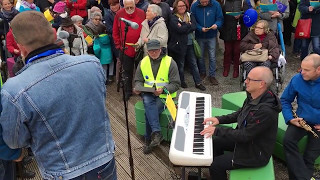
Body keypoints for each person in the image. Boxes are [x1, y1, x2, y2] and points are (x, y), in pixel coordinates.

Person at [0, 11, 117, 180]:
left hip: (62, 171)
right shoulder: (91, 63)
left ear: (21, 47)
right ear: (53, 34)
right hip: (103, 162)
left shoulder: (14, 89)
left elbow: (15, 142)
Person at [201, 66, 281, 180]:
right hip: (247, 142)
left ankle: (219, 169)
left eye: (249, 79)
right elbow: (240, 113)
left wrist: (217, 130)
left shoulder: (266, 111)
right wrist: (219, 119)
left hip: (255, 153)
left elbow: (245, 135)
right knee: (215, 143)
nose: (245, 81)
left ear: (261, 84)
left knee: (216, 165)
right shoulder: (254, 95)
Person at [133, 39, 180, 154]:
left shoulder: (170, 62)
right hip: (148, 93)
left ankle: (149, 139)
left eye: (156, 51)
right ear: (147, 51)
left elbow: (176, 83)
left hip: (165, 96)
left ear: (160, 49)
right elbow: (138, 80)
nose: (153, 53)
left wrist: (163, 89)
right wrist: (138, 88)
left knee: (148, 111)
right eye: (151, 51)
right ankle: (157, 134)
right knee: (149, 103)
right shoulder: (143, 62)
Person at [281, 54, 320, 180]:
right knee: (288, 141)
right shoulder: (297, 79)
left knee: (309, 157)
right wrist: (290, 118)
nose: (302, 72)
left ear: (318, 69)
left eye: (306, 70)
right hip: (301, 120)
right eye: (301, 68)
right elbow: (285, 100)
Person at [168, 0, 206, 90]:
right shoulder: (173, 18)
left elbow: (194, 26)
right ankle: (181, 81)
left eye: (183, 6)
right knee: (180, 65)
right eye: (179, 6)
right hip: (179, 45)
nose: (181, 8)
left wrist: (183, 26)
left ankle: (198, 82)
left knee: (194, 64)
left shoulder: (190, 15)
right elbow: (178, 30)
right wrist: (188, 25)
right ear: (176, 7)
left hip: (190, 44)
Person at [113, 0, 145, 101]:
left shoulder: (141, 13)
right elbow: (115, 31)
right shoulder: (119, 14)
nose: (130, 10)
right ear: (124, 6)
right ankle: (128, 91)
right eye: (127, 8)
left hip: (139, 47)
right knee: (127, 71)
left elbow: (145, 28)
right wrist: (118, 45)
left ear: (135, 5)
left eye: (132, 7)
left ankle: (141, 90)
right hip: (125, 48)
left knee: (140, 70)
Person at [191, 0, 224, 85]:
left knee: (212, 56)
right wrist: (199, 28)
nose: (204, 3)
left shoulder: (215, 4)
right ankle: (202, 72)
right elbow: (193, 20)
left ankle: (212, 75)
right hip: (200, 35)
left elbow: (220, 18)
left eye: (206, 2)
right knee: (200, 55)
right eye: (202, 2)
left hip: (212, 35)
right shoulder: (194, 6)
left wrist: (217, 24)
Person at [219, 0, 249, 78]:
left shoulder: (243, 2)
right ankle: (226, 68)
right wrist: (221, 29)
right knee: (227, 51)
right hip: (227, 30)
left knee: (237, 51)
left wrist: (241, 16)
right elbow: (221, 16)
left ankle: (236, 69)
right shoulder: (224, 2)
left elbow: (248, 15)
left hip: (239, 30)